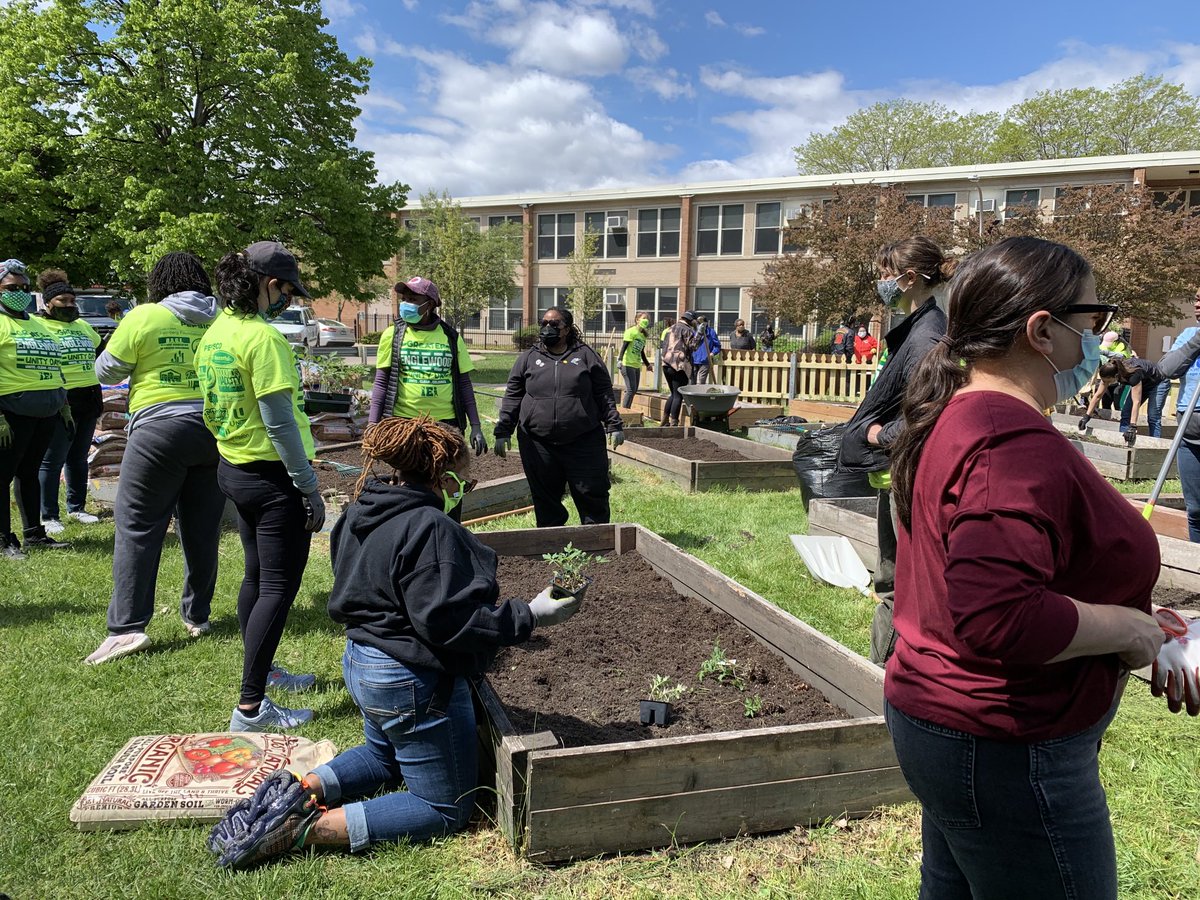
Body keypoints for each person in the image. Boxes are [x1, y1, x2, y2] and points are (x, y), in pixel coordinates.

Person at [885, 236, 1174, 900]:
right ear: (1043, 330)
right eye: (1093, 321)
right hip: (1008, 749)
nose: (1097, 342)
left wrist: (1130, 616)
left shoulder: (961, 414)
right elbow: (1000, 614)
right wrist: (1130, 633)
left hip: (953, 729)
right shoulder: (1006, 441)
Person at [206, 417, 583, 869]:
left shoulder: (359, 511)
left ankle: (298, 789)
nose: (467, 487)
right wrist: (530, 614)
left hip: (362, 664)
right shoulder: (430, 529)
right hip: (406, 681)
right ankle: (302, 829)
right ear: (443, 478)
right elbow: (449, 623)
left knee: (384, 756)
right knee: (444, 807)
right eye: (466, 480)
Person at [195, 241, 325, 730]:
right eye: (288, 290)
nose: (288, 300)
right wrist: (308, 487)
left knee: (255, 576)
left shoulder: (217, 332)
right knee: (277, 587)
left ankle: (265, 672)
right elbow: (280, 424)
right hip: (272, 479)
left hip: (235, 469)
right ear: (270, 285)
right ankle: (250, 708)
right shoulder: (263, 340)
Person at [838, 236, 954, 665]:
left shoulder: (928, 337)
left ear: (908, 279)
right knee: (892, 581)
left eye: (886, 274)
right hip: (897, 474)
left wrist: (877, 435)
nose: (881, 283)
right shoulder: (919, 325)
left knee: (895, 583)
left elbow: (933, 411)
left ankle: (882, 676)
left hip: (907, 476)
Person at [493, 305, 622, 527]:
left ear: (567, 329)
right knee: (545, 497)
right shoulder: (528, 359)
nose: (547, 328)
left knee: (591, 491)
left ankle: (595, 541)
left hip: (583, 440)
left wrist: (614, 424)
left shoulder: (586, 356)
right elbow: (513, 396)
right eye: (544, 323)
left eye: (554, 324)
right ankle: (551, 541)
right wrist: (503, 430)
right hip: (538, 441)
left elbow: (604, 393)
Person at [367, 276, 487, 517]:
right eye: (404, 299)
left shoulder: (451, 338)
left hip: (446, 425)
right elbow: (381, 382)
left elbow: (464, 384)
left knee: (449, 483)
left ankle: (450, 529)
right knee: (408, 484)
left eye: (413, 299)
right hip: (405, 425)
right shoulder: (393, 335)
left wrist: (475, 426)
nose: (406, 303)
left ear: (430, 304)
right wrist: (372, 424)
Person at [0, 258, 70, 560]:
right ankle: (4, 540)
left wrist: (63, 403)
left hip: (46, 411)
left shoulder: (37, 323)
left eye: (24, 288)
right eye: (11, 288)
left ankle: (34, 535)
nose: (20, 292)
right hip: (11, 412)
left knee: (28, 474)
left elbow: (54, 363)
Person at [36, 269, 103, 534]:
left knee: (78, 457)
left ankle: (76, 507)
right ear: (48, 303)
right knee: (53, 458)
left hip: (88, 396)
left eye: (72, 301)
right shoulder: (40, 327)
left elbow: (100, 353)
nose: (69, 305)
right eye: (63, 301)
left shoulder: (83, 326)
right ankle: (48, 515)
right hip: (61, 398)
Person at [1078, 355, 1169, 440]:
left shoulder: (1133, 375)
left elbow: (1136, 402)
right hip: (1142, 382)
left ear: (1116, 376)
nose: (1106, 384)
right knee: (1126, 413)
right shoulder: (1110, 373)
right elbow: (1098, 396)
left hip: (1158, 383)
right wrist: (1086, 416)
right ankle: (1122, 441)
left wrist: (1133, 426)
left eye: (1108, 381)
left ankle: (1154, 443)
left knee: (1153, 416)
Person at [659, 310, 701, 426]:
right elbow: (693, 346)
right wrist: (700, 334)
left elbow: (663, 346)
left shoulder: (670, 329)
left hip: (666, 364)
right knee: (678, 395)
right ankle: (674, 422)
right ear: (691, 320)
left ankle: (665, 419)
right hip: (679, 366)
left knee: (672, 394)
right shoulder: (687, 330)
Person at [618, 313, 652, 408]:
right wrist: (619, 360)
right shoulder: (631, 332)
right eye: (644, 318)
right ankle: (624, 412)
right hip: (627, 364)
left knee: (634, 390)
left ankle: (627, 410)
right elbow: (624, 347)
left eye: (647, 319)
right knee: (630, 390)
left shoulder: (643, 335)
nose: (646, 320)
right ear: (637, 320)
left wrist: (647, 364)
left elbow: (641, 351)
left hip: (636, 365)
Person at [690, 316, 721, 384]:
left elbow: (717, 346)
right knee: (692, 381)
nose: (699, 324)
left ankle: (700, 394)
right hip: (694, 359)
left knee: (701, 381)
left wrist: (713, 353)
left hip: (705, 360)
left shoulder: (711, 332)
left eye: (701, 322)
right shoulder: (694, 331)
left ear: (706, 323)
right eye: (698, 322)